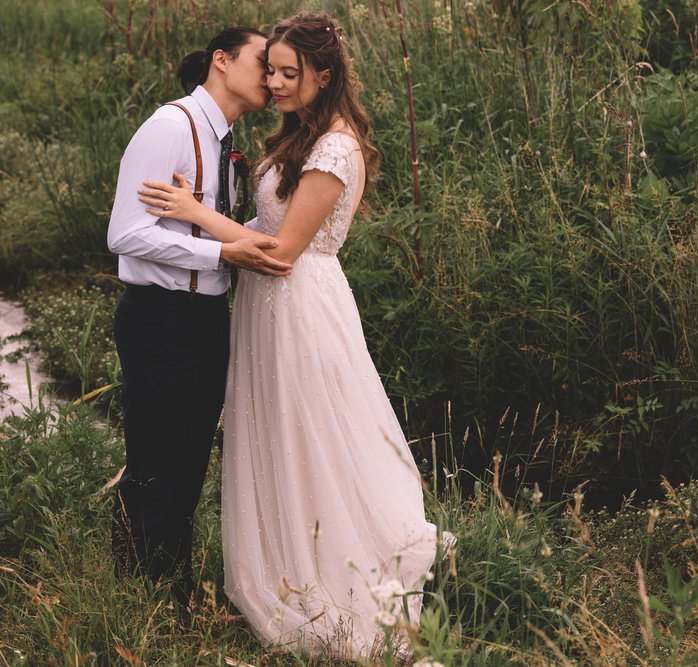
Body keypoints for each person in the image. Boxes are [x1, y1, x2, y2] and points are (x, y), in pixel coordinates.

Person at [139, 11, 451, 660]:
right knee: (273, 431)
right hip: (267, 306)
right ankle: (281, 559)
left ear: (325, 75)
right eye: (271, 70)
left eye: (290, 73)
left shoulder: (335, 147)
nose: (276, 83)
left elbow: (283, 251)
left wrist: (196, 215)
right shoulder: (297, 136)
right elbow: (264, 228)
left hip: (301, 303)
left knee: (312, 434)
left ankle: (331, 573)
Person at [106, 26, 292, 609]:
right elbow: (125, 233)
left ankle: (169, 585)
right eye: (263, 62)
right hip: (160, 317)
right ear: (221, 60)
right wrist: (219, 253)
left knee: (188, 458)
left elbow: (211, 223)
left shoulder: (225, 138)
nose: (270, 76)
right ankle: (143, 595)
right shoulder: (171, 127)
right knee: (157, 457)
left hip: (208, 317)